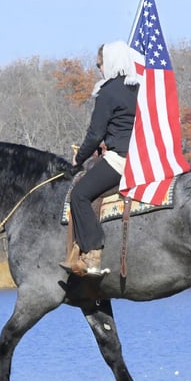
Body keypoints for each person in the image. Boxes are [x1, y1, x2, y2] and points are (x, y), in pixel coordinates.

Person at [60, 40, 140, 277]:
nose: (99, 70)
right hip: (141, 158)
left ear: (111, 62)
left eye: (99, 65)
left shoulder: (107, 92)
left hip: (120, 160)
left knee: (79, 194)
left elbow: (95, 134)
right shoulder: (138, 87)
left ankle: (92, 252)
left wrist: (78, 158)